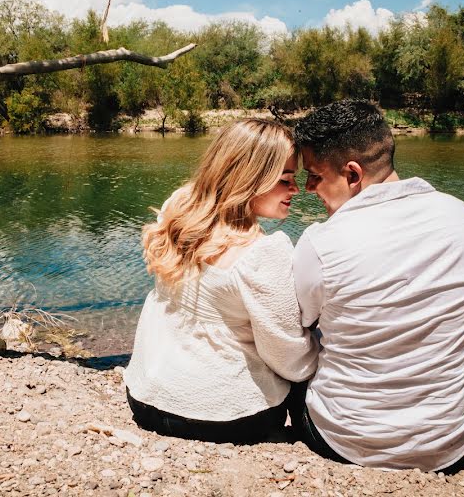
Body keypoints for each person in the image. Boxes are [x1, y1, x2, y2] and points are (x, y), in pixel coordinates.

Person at [292, 100, 464, 472]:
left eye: (315, 175)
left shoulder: (321, 242)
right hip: (451, 446)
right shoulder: (463, 218)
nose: (306, 188)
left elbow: (301, 323)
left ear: (352, 175)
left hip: (343, 441)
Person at [124, 118, 318, 444]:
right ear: (250, 179)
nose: (296, 189)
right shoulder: (263, 253)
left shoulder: (178, 208)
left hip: (144, 396)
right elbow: (289, 360)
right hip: (222, 416)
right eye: (285, 179)